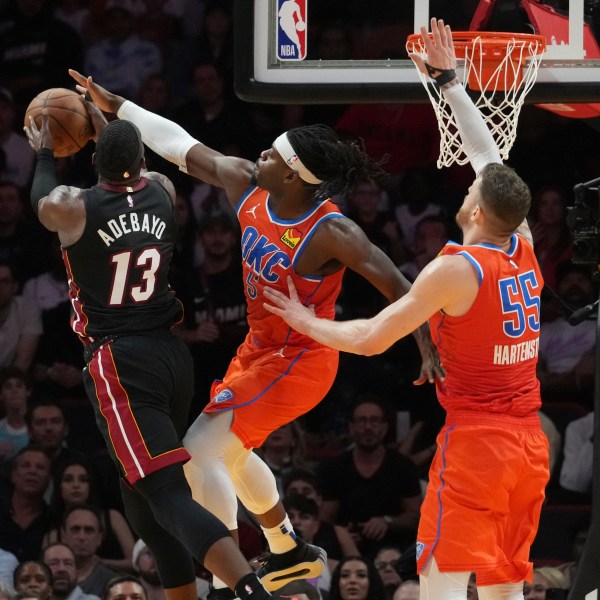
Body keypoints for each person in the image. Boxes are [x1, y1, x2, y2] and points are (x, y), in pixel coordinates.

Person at [69, 59, 442, 599]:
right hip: (258, 350)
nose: (258, 154)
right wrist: (117, 106)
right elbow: (179, 145)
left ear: (292, 175)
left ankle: (228, 583)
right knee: (235, 454)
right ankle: (286, 549)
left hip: (302, 358)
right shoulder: (248, 184)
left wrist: (425, 347)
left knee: (200, 454)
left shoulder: (331, 230)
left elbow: (402, 288)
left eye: (271, 153)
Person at [262, 18, 550, 599]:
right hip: (529, 443)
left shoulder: (457, 270)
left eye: (470, 191)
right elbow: (486, 153)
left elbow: (371, 337)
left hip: (478, 441)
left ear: (475, 211)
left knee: (439, 579)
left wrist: (305, 321)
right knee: (504, 585)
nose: (467, 188)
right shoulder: (522, 244)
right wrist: (448, 81)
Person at [24, 98, 291, 600]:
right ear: (142, 162)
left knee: (164, 492)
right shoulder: (164, 192)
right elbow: (131, 163)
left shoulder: (74, 205)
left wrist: (43, 151)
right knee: (140, 498)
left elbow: (42, 202)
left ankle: (244, 588)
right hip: (171, 355)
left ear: (94, 161)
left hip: (120, 361)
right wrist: (107, 125)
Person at [316, 398, 422, 558]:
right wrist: (342, 536)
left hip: (395, 551)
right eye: (361, 421)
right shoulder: (334, 468)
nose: (368, 427)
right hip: (346, 552)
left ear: (385, 427)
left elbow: (415, 517)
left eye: (374, 421)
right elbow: (325, 519)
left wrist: (387, 522)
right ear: (351, 427)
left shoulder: (403, 466)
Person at [43, 457, 135, 573]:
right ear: (58, 486)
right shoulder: (53, 534)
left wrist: (102, 563)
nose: (76, 485)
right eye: (68, 479)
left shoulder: (111, 518)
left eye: (83, 480)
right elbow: (45, 570)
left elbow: (135, 561)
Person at [0, 446, 51, 562]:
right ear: (13, 475)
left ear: (49, 480)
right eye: (25, 466)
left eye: (41, 467)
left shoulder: (53, 521)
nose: (33, 471)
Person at [59, 505, 118, 598]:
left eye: (89, 530)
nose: (82, 537)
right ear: (63, 536)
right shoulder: (46, 578)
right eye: (75, 529)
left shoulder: (112, 583)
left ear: (99, 538)